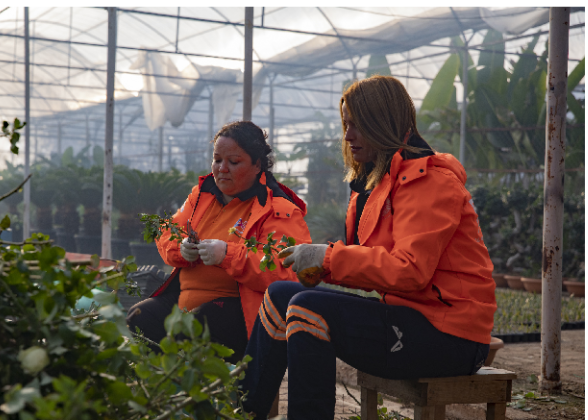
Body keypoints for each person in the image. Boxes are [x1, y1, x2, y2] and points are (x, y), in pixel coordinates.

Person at [239, 75, 497, 419]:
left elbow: (409, 271)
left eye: (357, 126)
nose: (348, 136)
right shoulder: (375, 184)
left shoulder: (430, 181)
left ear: (383, 123)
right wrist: (322, 265)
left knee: (307, 308)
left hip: (451, 336)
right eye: (346, 125)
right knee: (279, 295)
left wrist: (328, 257)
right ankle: (241, 413)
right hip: (408, 316)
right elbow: (376, 268)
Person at [126, 121, 311, 364]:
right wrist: (180, 248)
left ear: (257, 165)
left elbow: (286, 271)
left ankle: (205, 392)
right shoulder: (201, 196)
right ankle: (165, 390)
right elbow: (168, 230)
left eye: (234, 162)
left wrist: (227, 254)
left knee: (198, 323)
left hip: (240, 313)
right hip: (186, 301)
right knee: (139, 316)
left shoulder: (280, 209)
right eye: (217, 160)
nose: (222, 168)